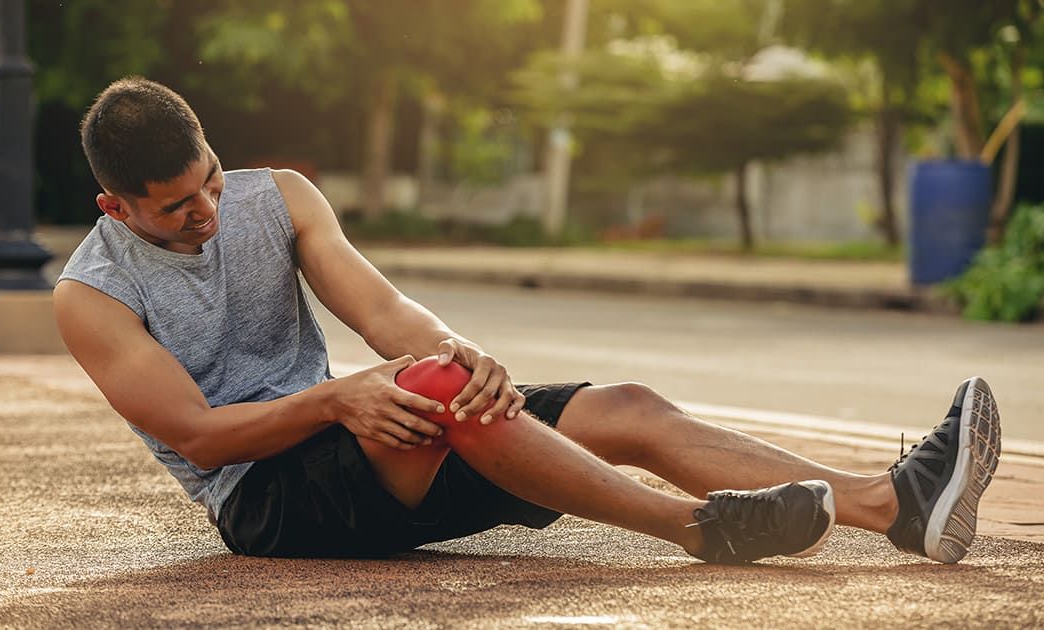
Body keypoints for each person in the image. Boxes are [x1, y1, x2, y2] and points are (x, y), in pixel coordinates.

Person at [54, 77, 1002, 565]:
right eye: (178, 207)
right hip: (269, 501)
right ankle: (699, 529)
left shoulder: (281, 197)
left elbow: (384, 311)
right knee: (424, 390)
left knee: (618, 404)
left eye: (212, 179)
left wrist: (467, 357)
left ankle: (895, 507)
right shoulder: (91, 294)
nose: (210, 211)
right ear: (117, 208)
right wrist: (342, 400)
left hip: (384, 439)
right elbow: (199, 438)